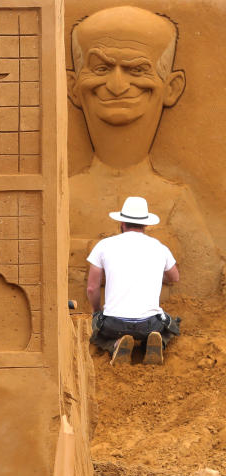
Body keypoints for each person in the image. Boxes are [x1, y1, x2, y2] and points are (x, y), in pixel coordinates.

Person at [66, 6, 222, 301]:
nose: (116, 85)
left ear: (172, 88)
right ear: (73, 87)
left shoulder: (178, 204)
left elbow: (202, 285)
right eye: (100, 68)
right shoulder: (61, 198)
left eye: (137, 69)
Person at [86, 196, 180, 365]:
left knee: (93, 330)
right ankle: (154, 342)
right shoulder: (159, 247)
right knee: (173, 324)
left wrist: (96, 310)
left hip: (114, 323)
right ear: (145, 225)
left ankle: (116, 344)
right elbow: (174, 277)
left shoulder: (103, 245)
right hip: (150, 323)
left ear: (122, 223)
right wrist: (158, 274)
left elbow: (92, 288)